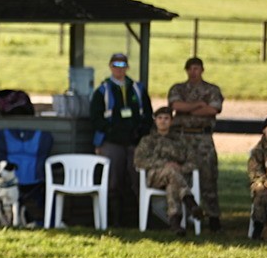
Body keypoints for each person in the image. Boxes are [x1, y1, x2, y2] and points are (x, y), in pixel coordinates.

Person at [91, 52, 153, 227]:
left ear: (127, 67)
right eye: (115, 66)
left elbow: (148, 114)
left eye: (122, 65)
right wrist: (110, 131)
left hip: (134, 141)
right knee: (113, 181)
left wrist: (140, 131)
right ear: (110, 67)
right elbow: (95, 118)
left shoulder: (137, 89)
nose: (119, 69)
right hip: (111, 141)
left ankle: (139, 220)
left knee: (137, 179)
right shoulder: (103, 90)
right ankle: (115, 220)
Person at [168, 57, 224, 231]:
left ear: (202, 70)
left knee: (208, 176)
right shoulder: (178, 88)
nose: (193, 72)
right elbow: (175, 104)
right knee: (180, 175)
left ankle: (213, 217)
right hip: (182, 139)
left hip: (203, 140)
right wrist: (198, 105)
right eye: (190, 69)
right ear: (186, 70)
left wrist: (187, 108)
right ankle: (181, 216)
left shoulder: (212, 89)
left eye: (197, 68)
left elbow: (213, 109)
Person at [134, 107, 204, 235]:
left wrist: (181, 168)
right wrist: (165, 164)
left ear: (171, 121)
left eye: (166, 118)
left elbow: (194, 161)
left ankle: (175, 223)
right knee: (170, 171)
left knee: (172, 185)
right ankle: (190, 201)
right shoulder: (148, 141)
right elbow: (139, 161)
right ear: (155, 121)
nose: (163, 121)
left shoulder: (180, 141)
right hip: (155, 176)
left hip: (178, 177)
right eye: (160, 118)